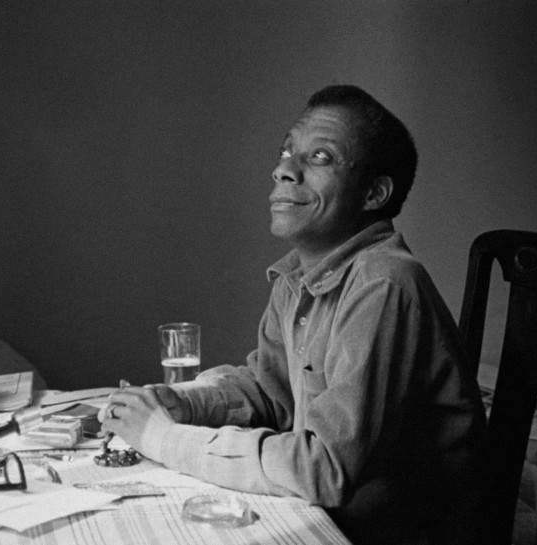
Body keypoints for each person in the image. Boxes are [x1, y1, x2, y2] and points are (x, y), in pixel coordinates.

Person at [102, 84, 489, 545]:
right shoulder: (299, 277)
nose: (283, 169)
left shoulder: (383, 283)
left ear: (374, 193)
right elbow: (273, 391)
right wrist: (183, 403)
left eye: (319, 157)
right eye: (287, 150)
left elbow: (325, 469)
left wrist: (163, 438)